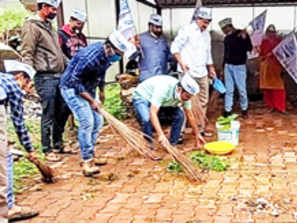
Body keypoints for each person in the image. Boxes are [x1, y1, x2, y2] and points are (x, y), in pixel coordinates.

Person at [59, 30, 128, 177]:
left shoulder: (107, 56)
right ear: (109, 47)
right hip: (71, 89)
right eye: (118, 53)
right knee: (87, 122)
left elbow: (100, 73)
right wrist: (91, 100)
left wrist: (101, 91)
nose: (118, 57)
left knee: (98, 121)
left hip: (88, 87)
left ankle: (91, 153)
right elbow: (74, 81)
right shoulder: (89, 57)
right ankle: (86, 161)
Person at [20, 0, 72, 162]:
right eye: (51, 8)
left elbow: (57, 52)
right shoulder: (31, 26)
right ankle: (47, 149)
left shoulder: (50, 26)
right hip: (45, 77)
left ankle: (58, 143)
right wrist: (26, 76)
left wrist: (71, 65)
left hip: (59, 75)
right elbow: (27, 52)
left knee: (63, 109)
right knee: (48, 112)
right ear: (42, 8)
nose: (54, 11)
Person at [1, 60, 39, 221]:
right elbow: (19, 122)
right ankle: (6, 210)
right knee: (2, 164)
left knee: (6, 154)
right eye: (28, 82)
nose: (27, 87)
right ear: (20, 77)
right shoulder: (11, 83)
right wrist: (30, 149)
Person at [171, 7, 217, 136]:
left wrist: (211, 68)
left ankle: (200, 128)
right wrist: (181, 63)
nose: (206, 25)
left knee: (203, 101)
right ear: (198, 19)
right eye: (204, 22)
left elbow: (208, 53)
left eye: (208, 22)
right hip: (188, 72)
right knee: (184, 101)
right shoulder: (187, 30)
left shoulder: (206, 34)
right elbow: (174, 47)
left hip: (202, 72)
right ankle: (179, 132)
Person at [132, 75, 206, 148]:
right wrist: (161, 134)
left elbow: (190, 115)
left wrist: (197, 134)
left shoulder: (186, 96)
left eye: (190, 97)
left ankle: (173, 144)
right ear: (179, 90)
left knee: (179, 116)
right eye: (187, 96)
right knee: (147, 118)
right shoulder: (164, 89)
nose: (188, 99)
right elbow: (153, 112)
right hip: (143, 97)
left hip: (161, 102)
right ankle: (149, 143)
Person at [219, 18, 252, 119]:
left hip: (239, 66)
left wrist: (245, 38)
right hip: (228, 66)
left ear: (229, 26)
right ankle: (228, 110)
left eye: (224, 29)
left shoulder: (242, 34)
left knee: (241, 89)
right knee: (229, 89)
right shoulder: (227, 38)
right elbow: (226, 54)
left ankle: (244, 109)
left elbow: (249, 48)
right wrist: (222, 67)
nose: (223, 31)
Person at [131, 14, 173, 82]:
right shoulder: (140, 38)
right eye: (157, 27)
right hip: (146, 79)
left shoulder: (164, 40)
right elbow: (132, 57)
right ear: (150, 25)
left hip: (162, 78)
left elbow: (170, 58)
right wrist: (136, 48)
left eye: (160, 27)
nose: (159, 30)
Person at [259, 24, 287, 114]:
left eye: (273, 32)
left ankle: (280, 107)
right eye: (269, 32)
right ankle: (271, 106)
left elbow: (283, 54)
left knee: (279, 88)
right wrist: (264, 55)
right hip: (266, 67)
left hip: (277, 67)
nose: (271, 34)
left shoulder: (280, 42)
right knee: (267, 89)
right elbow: (260, 55)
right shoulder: (264, 42)